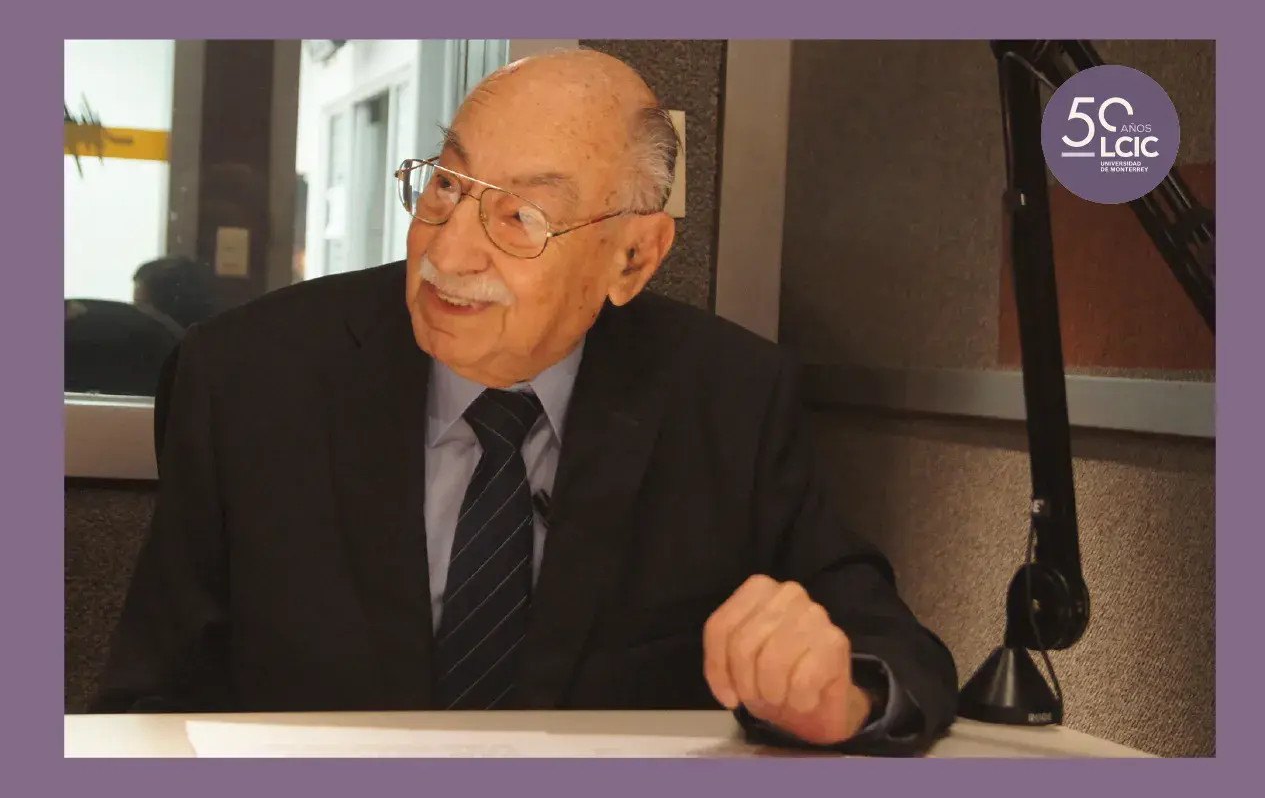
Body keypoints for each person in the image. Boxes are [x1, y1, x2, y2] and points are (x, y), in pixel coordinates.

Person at [94, 49, 958, 755]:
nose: (449, 253)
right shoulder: (247, 380)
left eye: (521, 219)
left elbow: (894, 651)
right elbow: (149, 701)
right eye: (446, 185)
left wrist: (838, 696)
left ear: (632, 259)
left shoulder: (729, 399)